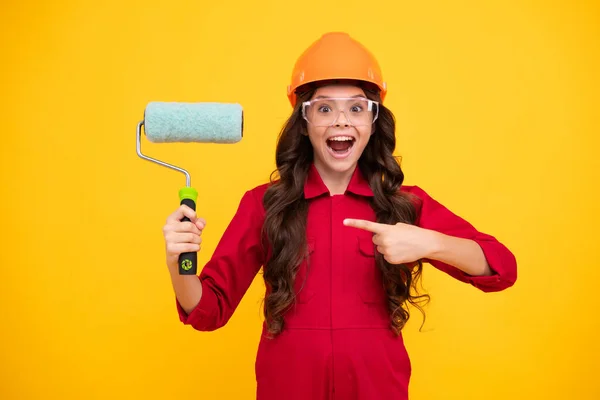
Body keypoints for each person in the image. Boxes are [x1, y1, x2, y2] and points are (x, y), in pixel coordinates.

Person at [161, 32, 517, 400]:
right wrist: (177, 263)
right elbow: (208, 311)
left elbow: (501, 267)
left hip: (379, 389)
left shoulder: (404, 205)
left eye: (356, 108)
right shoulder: (263, 205)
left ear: (374, 120)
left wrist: (431, 242)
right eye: (325, 108)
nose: (341, 121)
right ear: (304, 120)